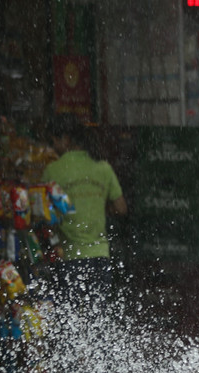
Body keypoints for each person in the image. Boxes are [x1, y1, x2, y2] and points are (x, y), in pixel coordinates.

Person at [42, 114, 127, 311]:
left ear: (66, 139)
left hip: (70, 256)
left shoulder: (53, 171)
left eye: (54, 141)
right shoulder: (103, 168)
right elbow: (121, 208)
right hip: (100, 255)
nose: (53, 147)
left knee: (72, 320)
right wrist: (99, 206)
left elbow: (45, 214)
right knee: (97, 317)